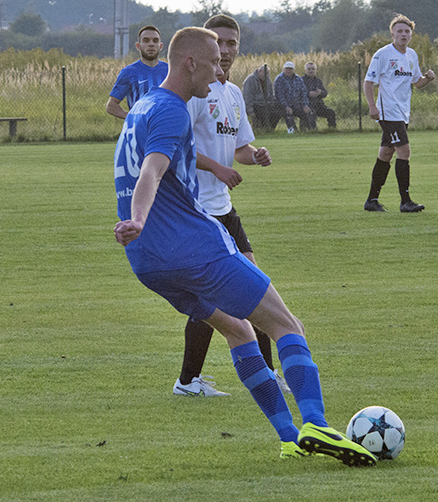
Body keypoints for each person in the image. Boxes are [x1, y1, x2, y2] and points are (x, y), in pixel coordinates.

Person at [113, 26, 377, 465]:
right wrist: (138, 218)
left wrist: (138, 225)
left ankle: (290, 438)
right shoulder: (173, 110)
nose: (219, 71)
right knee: (287, 325)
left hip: (147, 261)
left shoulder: (140, 108)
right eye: (213, 62)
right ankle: (316, 422)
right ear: (190, 63)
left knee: (238, 330)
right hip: (193, 247)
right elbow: (152, 171)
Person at [174, 14, 289, 398]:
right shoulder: (194, 94)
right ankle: (189, 381)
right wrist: (218, 168)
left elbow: (239, 149)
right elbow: (178, 147)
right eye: (219, 43)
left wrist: (255, 155)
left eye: (231, 43)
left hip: (223, 207)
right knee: (221, 297)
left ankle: (262, 375)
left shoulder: (234, 94)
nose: (225, 50)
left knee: (254, 287)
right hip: (198, 210)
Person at [363, 14, 435, 213]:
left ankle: (371, 200)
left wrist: (428, 79)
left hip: (403, 112)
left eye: (407, 31)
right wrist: (372, 106)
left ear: (411, 34)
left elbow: (417, 82)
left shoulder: (411, 55)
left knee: (386, 154)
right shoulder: (383, 54)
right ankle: (406, 201)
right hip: (388, 112)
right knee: (404, 151)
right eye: (400, 31)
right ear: (392, 34)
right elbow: (368, 82)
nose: (403, 34)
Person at [105, 25, 169, 120]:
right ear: (138, 46)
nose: (151, 44)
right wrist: (132, 117)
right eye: (146, 40)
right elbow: (111, 105)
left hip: (165, 126)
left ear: (160, 46)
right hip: (140, 128)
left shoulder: (170, 71)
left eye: (155, 41)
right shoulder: (129, 72)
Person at [273, 61, 314, 133]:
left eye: (290, 69)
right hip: (282, 106)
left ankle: (306, 130)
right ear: (283, 69)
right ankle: (293, 131)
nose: (289, 70)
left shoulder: (298, 79)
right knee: (288, 114)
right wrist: (286, 106)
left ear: (293, 70)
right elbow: (279, 95)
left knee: (308, 112)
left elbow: (303, 93)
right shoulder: (279, 79)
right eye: (287, 68)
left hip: (297, 105)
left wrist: (305, 105)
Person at [241, 64, 281, 131]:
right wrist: (250, 110)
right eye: (265, 73)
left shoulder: (268, 80)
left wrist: (273, 103)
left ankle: (270, 129)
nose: (267, 75)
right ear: (259, 71)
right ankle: (261, 128)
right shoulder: (250, 80)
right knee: (263, 112)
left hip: (266, 103)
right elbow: (247, 96)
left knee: (278, 111)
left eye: (268, 74)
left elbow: (271, 94)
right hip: (255, 104)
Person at [302, 62, 337, 129]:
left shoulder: (318, 81)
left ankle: (332, 130)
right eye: (309, 69)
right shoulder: (301, 80)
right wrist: (308, 94)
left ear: (316, 70)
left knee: (331, 113)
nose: (311, 71)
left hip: (319, 105)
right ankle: (313, 131)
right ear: (305, 70)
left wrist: (320, 92)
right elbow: (297, 94)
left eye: (313, 69)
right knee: (311, 113)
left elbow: (325, 93)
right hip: (307, 105)